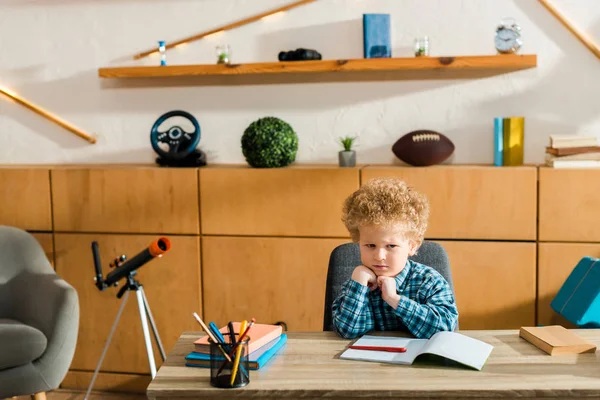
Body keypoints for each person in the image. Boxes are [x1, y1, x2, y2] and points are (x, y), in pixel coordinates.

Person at [331, 177, 458, 339]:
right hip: (369, 362)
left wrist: (394, 299)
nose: (379, 256)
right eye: (370, 246)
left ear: (412, 246)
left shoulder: (429, 281)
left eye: (391, 246)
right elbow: (347, 331)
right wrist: (358, 284)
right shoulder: (357, 285)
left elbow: (444, 328)